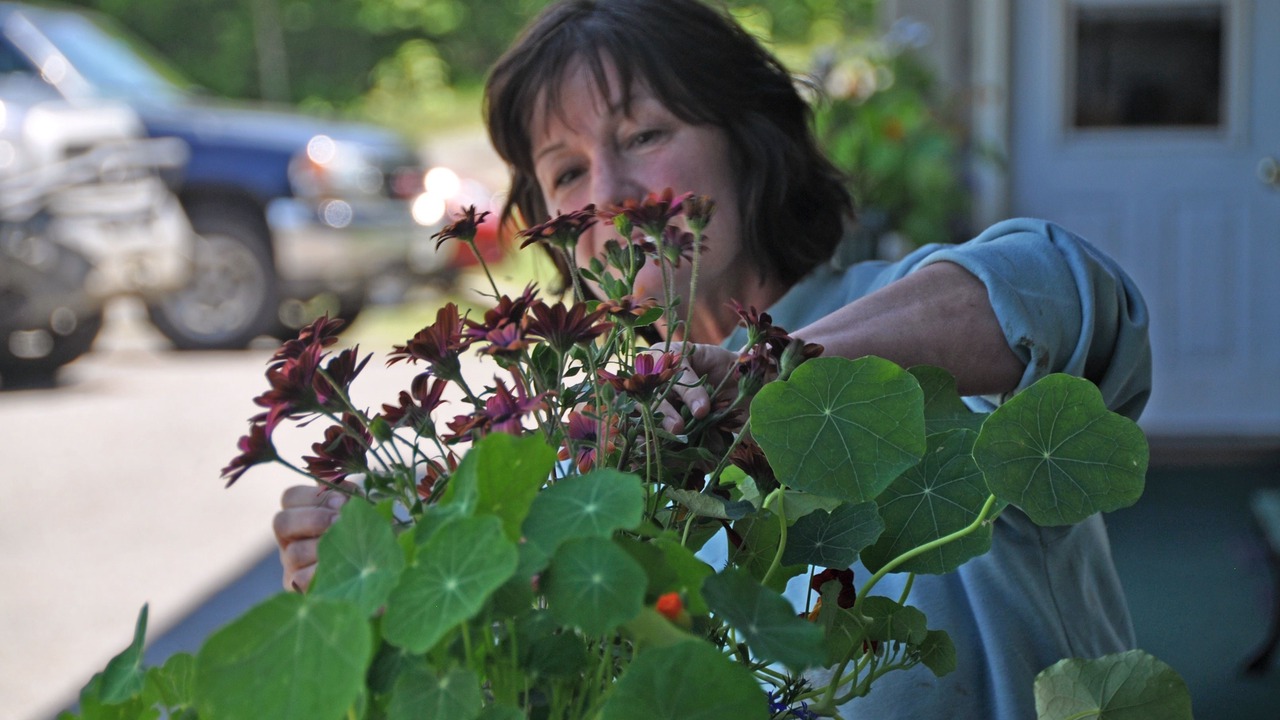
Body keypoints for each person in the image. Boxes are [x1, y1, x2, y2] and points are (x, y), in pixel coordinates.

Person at [273, 1, 1152, 717]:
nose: (611, 196)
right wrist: (394, 574)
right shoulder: (603, 453)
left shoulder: (907, 312)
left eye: (643, 135)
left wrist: (770, 373)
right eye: (567, 172)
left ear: (748, 135)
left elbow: (1066, 291)